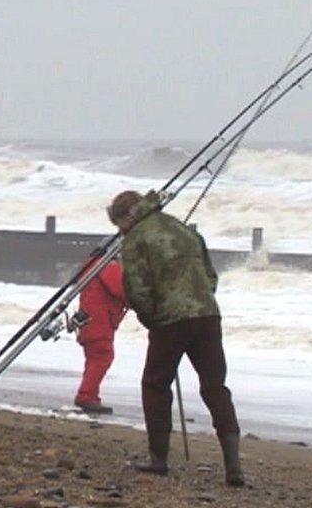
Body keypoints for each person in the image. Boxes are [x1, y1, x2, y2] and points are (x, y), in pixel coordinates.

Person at [108, 189, 244, 487]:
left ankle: (159, 459)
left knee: (155, 384)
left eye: (119, 226)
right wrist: (200, 301)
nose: (120, 231)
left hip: (170, 321)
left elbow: (137, 289)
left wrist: (151, 319)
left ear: (126, 217)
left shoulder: (135, 239)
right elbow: (210, 275)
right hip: (208, 315)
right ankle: (233, 466)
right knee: (215, 387)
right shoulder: (181, 227)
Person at [74, 258, 127, 414]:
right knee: (102, 356)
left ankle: (90, 395)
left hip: (91, 318)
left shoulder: (94, 265)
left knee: (95, 358)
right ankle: (86, 396)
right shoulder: (107, 266)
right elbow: (121, 290)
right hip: (99, 319)